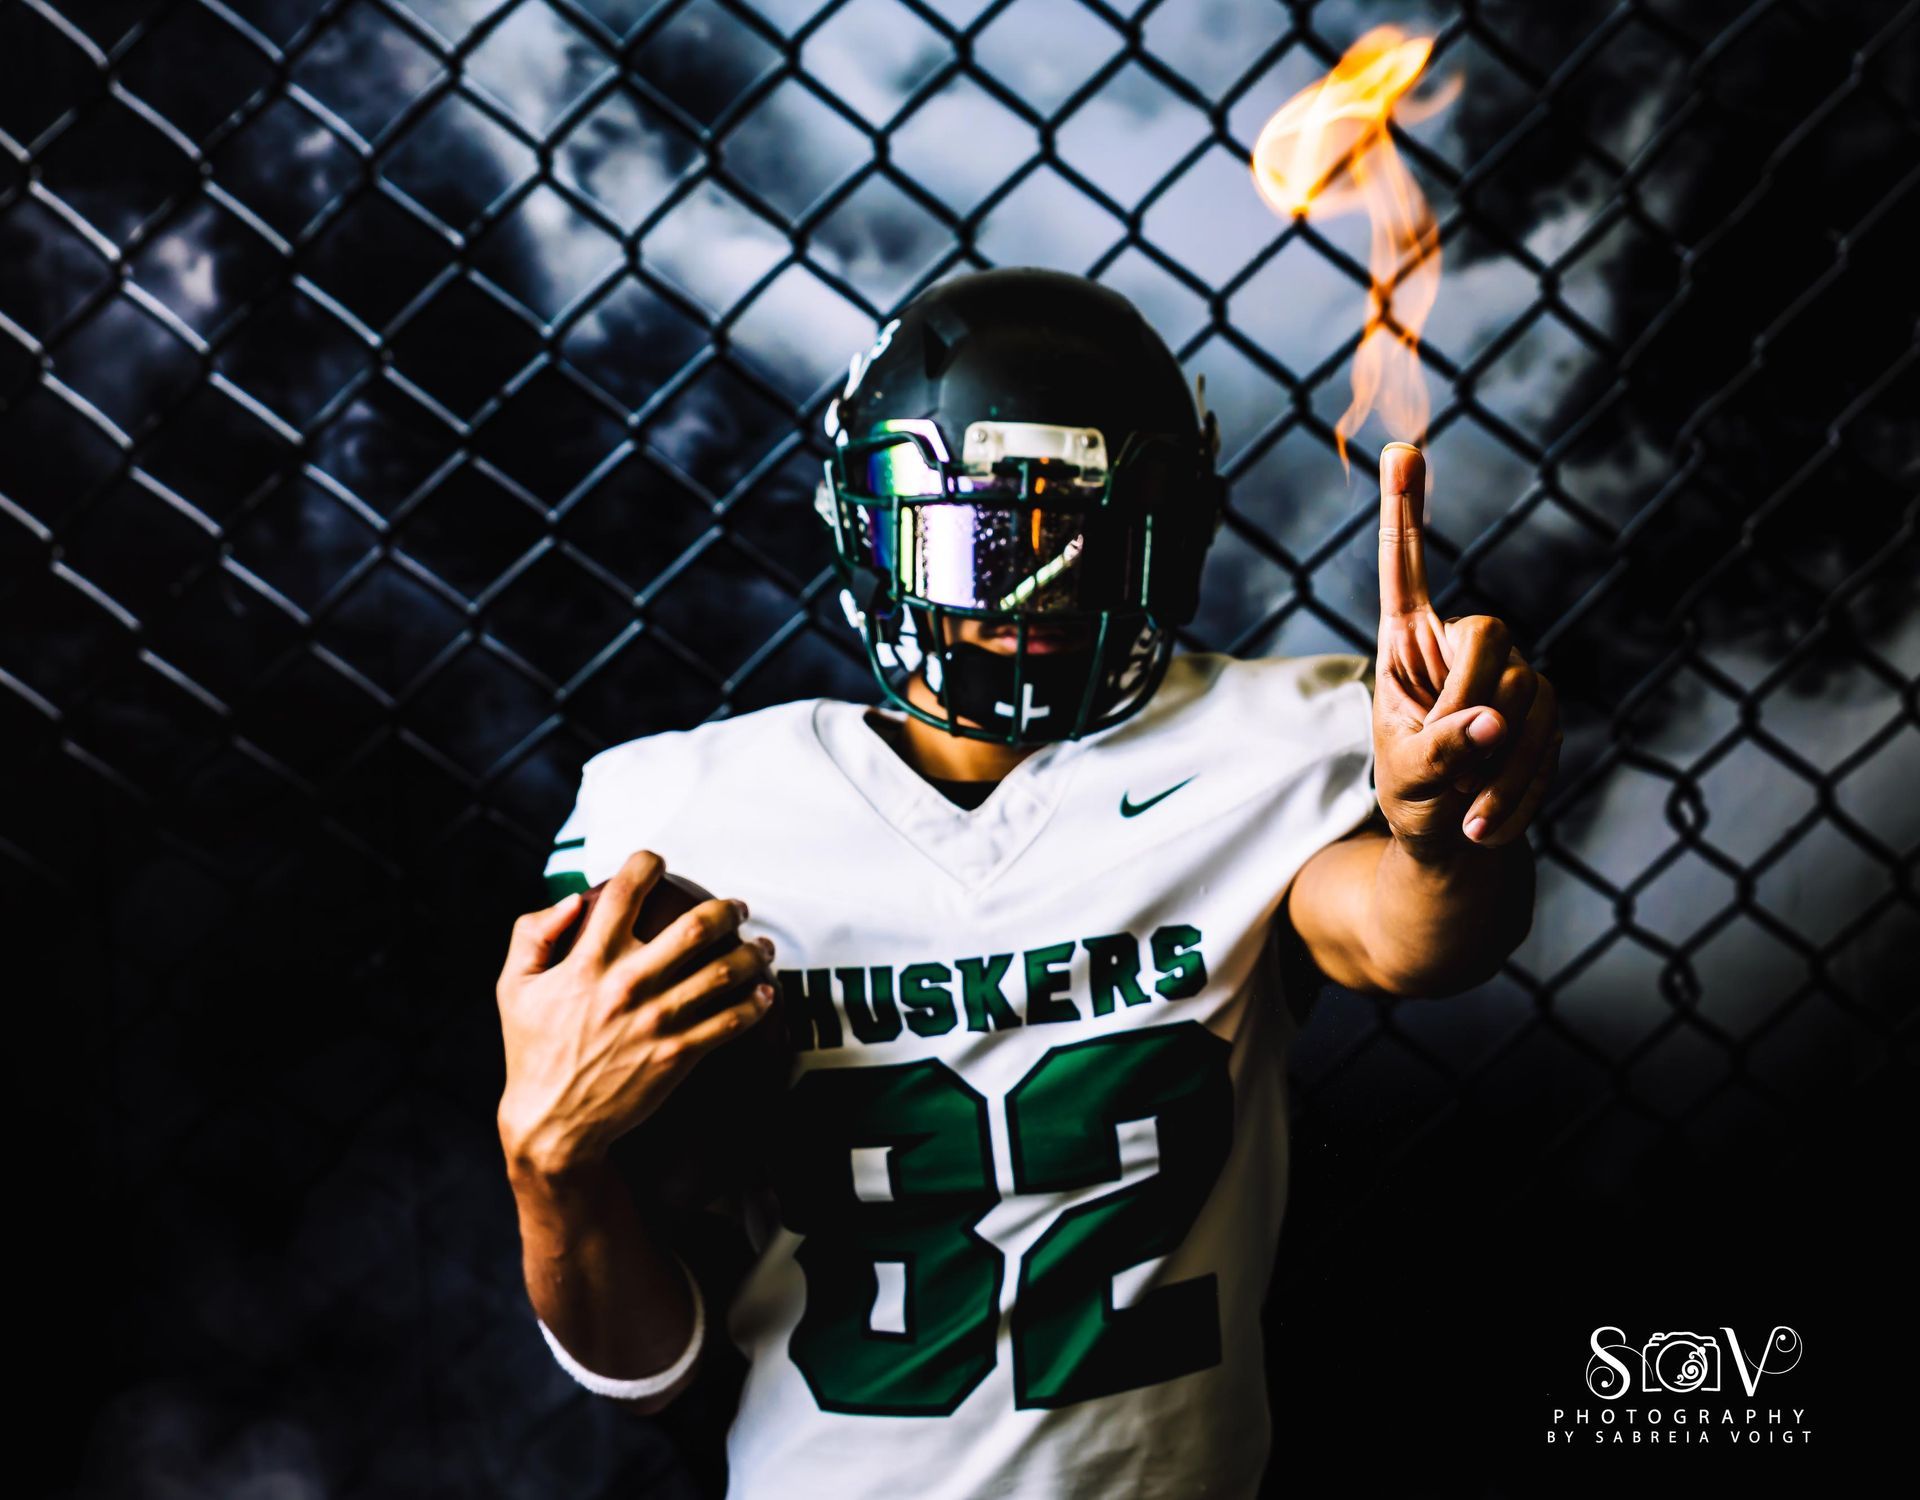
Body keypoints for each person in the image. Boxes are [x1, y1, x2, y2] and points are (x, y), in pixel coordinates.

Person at [493, 268, 1559, 1497]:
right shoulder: (680, 825)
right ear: (872, 523)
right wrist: (548, 1161)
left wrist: (1446, 838)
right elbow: (643, 1358)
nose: (1033, 588)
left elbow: (1408, 939)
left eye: (1085, 537)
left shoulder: (1265, 743)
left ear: (1167, 533)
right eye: (986, 535)